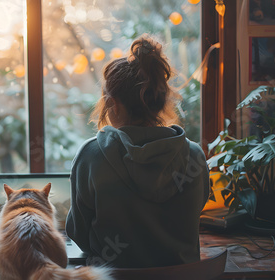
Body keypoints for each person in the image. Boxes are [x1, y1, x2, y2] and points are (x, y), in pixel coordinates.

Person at [65, 34, 210, 268]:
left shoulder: (91, 156)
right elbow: (194, 215)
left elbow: (79, 235)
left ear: (113, 103)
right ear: (160, 101)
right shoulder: (194, 156)